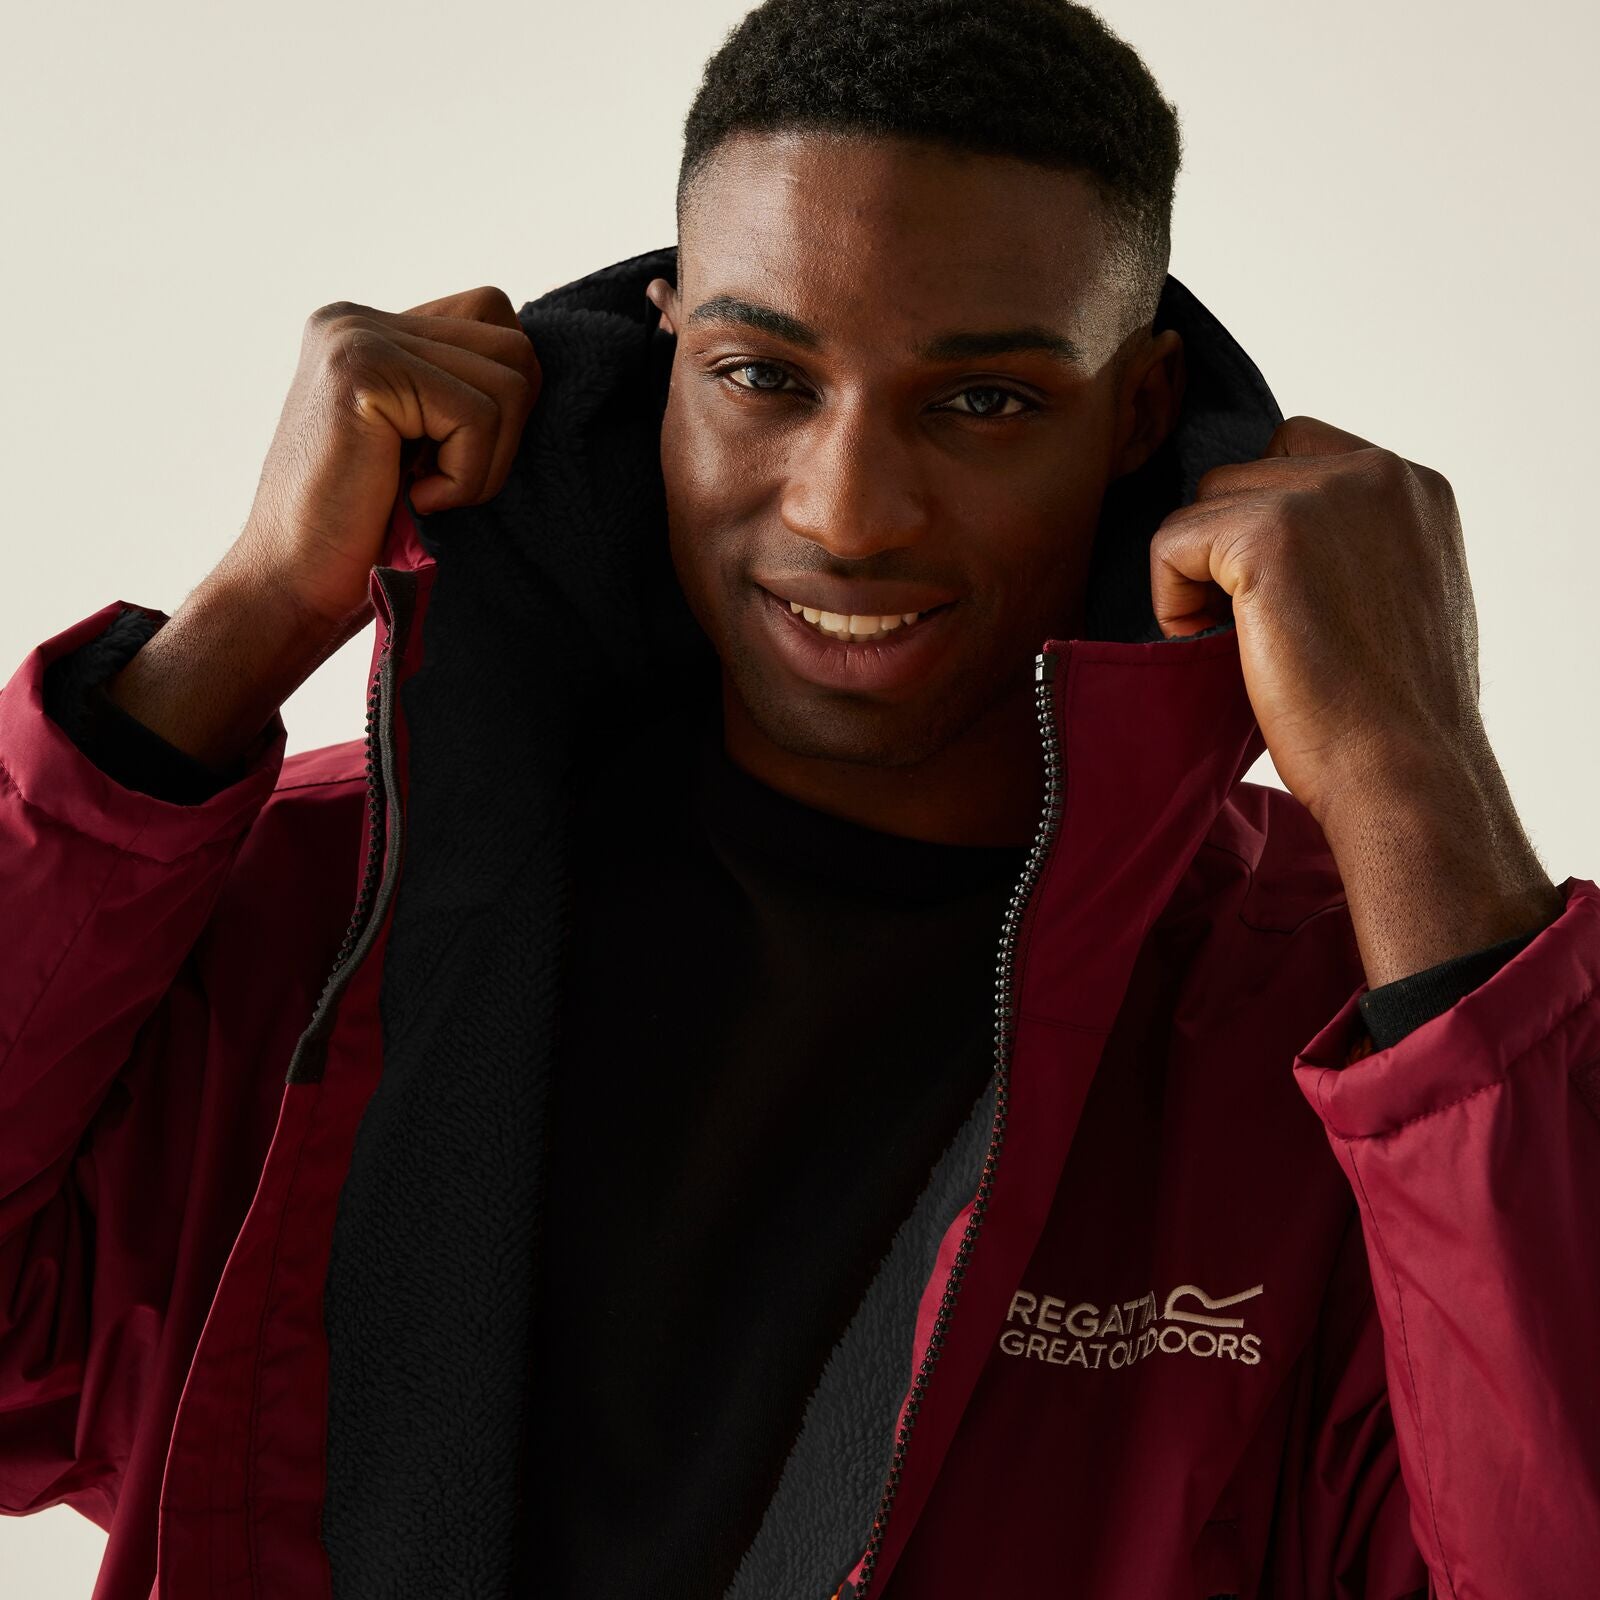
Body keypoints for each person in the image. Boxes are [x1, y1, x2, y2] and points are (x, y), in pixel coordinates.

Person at [1, 0, 1595, 1596]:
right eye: (763, 374)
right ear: (665, 353)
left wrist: (1413, 773)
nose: (848, 513)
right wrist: (251, 614)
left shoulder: (1337, 1025)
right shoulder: (337, 906)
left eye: (983, 402)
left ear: (1139, 413)